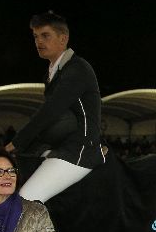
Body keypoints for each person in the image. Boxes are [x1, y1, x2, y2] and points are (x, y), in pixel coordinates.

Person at [8, 11, 105, 203]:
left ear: (63, 39)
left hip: (80, 150)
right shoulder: (52, 73)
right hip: (61, 147)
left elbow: (50, 112)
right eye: (36, 37)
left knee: (24, 201)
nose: (38, 42)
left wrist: (15, 143)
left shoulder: (78, 69)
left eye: (45, 35)